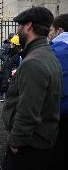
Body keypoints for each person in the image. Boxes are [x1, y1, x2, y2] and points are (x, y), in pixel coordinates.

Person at [2, 7, 63, 170]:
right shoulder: (46, 53)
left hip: (29, 147)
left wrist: (16, 141)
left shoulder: (33, 62)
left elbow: (28, 110)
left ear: (28, 26)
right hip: (40, 141)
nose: (17, 31)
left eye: (19, 26)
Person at [48, 13, 68, 170]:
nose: (50, 34)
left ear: (60, 31)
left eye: (51, 30)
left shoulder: (54, 51)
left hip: (59, 112)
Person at [0, 33, 15, 102]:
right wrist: (7, 59)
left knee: (11, 80)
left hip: (13, 65)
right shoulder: (5, 45)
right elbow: (0, 54)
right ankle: (0, 94)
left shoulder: (14, 45)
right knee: (5, 80)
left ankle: (7, 95)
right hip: (7, 65)